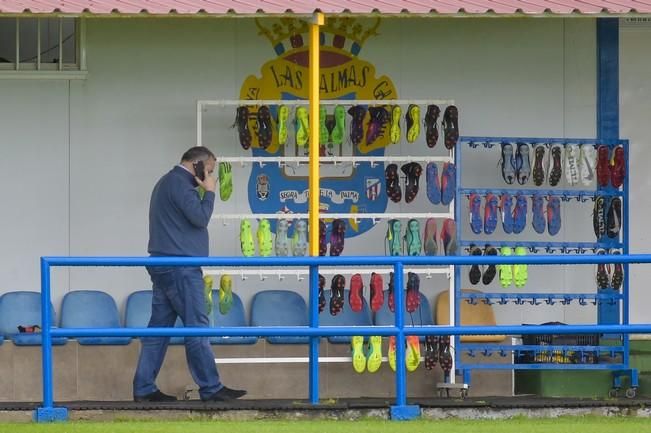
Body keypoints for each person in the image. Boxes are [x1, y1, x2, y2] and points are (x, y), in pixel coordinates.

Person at [133, 146, 247, 402]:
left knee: (158, 329)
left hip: (165, 264)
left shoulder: (167, 182)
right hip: (180, 267)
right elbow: (200, 218)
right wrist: (209, 192)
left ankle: (143, 389)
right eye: (209, 170)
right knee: (197, 326)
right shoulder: (180, 184)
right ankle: (211, 387)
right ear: (197, 165)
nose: (210, 176)